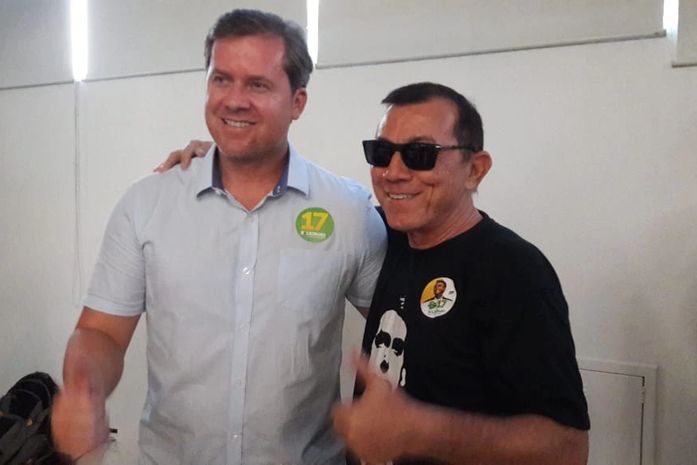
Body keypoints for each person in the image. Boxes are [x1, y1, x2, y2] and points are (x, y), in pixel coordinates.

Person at [51, 9, 386, 465]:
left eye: (258, 85)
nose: (234, 100)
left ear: (298, 102)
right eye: (221, 80)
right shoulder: (147, 204)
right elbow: (100, 333)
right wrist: (84, 385)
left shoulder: (349, 212)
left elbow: (402, 329)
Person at [330, 82, 590, 465]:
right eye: (381, 153)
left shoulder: (513, 270)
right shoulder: (385, 237)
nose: (393, 172)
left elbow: (567, 448)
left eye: (420, 154)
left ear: (475, 170)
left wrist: (420, 430)